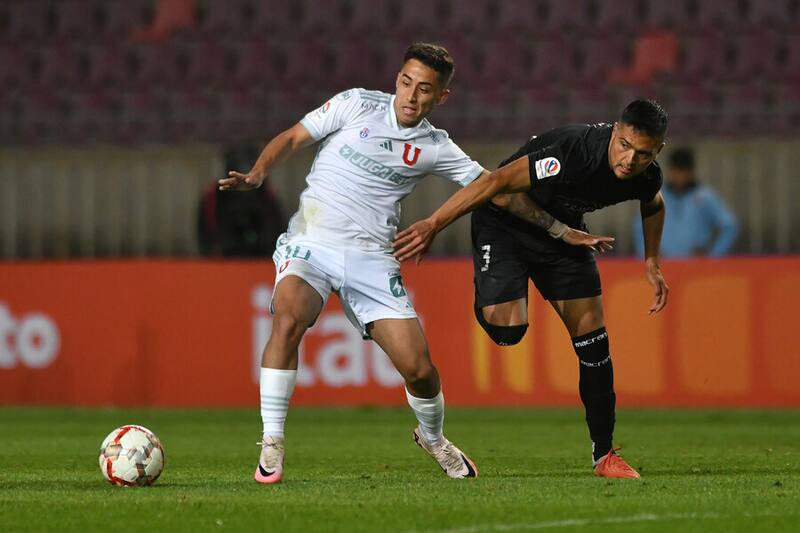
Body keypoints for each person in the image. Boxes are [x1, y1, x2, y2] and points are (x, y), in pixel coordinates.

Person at [219, 43, 501, 483]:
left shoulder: (435, 145)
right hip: (311, 240)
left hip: (372, 258)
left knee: (419, 370)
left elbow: (490, 184)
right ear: (397, 78)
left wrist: (556, 228)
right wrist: (259, 171)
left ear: (440, 97)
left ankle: (433, 438)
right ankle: (271, 441)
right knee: (288, 318)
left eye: (424, 89)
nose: (410, 95)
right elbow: (294, 136)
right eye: (406, 82)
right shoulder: (355, 104)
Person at [394, 100, 670, 479]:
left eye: (643, 154)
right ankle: (496, 290)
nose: (629, 159)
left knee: (594, 343)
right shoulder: (574, 152)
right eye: (624, 145)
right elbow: (493, 184)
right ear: (615, 131)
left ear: (657, 151)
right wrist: (433, 224)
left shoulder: (646, 175)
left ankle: (604, 455)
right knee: (507, 329)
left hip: (564, 234)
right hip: (504, 223)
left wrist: (651, 261)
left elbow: (653, 204)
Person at [633, 147, 738, 257]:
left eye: (683, 172)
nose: (679, 177)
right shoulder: (655, 196)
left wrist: (713, 256)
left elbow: (730, 226)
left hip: (695, 267)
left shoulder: (704, 197)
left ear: (691, 172)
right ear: (670, 171)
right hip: (662, 266)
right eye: (676, 171)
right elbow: (638, 229)